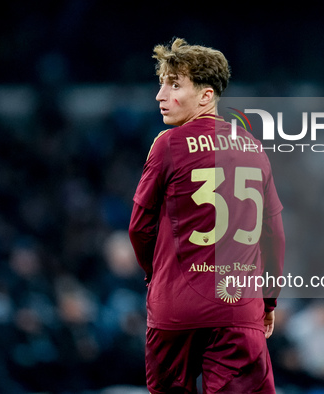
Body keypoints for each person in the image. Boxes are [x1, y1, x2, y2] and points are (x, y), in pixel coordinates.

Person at [129, 37, 285, 393]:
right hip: (238, 307)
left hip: (175, 308)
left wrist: (158, 276)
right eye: (161, 84)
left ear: (206, 95)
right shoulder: (254, 147)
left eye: (173, 84)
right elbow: (274, 235)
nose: (160, 96)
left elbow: (139, 227)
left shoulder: (166, 144)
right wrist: (269, 300)